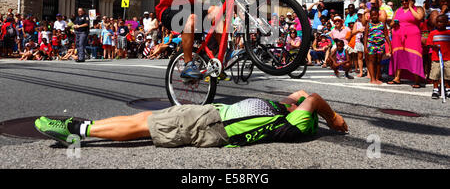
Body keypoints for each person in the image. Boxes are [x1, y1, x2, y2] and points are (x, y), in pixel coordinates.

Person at [34, 89, 348, 148]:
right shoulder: (281, 111)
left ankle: (77, 130)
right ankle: (82, 128)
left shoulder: (290, 126)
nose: (293, 102)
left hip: (211, 125)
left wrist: (333, 119)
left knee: (144, 125)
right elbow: (301, 92)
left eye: (298, 107)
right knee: (146, 118)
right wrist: (299, 101)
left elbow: (314, 99)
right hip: (209, 117)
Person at [388, 0, 426, 88]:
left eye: (406, 1)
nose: (404, 3)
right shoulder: (398, 10)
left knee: (414, 55)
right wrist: (394, 24)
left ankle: (417, 80)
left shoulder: (418, 8)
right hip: (398, 35)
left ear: (411, 1)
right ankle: (397, 78)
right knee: (398, 55)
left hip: (412, 36)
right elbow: (391, 24)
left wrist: (410, 7)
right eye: (402, 1)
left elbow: (419, 17)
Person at [364, 8, 391, 85]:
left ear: (378, 15)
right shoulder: (368, 24)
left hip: (380, 45)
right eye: (372, 15)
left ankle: (377, 77)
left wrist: (389, 45)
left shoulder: (382, 24)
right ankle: (372, 78)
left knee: (378, 61)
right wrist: (365, 47)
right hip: (371, 45)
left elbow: (386, 35)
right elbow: (365, 36)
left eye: (375, 15)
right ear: (370, 16)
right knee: (372, 61)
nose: (374, 17)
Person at [426, 14, 450, 99]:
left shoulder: (448, 33)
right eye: (438, 22)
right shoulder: (433, 33)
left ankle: (447, 89)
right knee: (435, 74)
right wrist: (434, 46)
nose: (439, 24)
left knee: (448, 74)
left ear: (446, 23)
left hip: (447, 57)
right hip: (436, 58)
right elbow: (428, 44)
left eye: (441, 22)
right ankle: (435, 89)